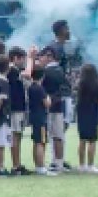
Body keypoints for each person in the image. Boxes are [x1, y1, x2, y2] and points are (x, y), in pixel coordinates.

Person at [48, 20, 73, 171]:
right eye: (67, 28)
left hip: (65, 91)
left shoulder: (62, 47)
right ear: (61, 30)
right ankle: (56, 160)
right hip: (60, 93)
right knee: (59, 125)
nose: (69, 31)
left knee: (64, 124)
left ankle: (58, 159)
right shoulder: (54, 48)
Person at [39, 45, 67, 173]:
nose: (41, 59)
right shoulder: (60, 70)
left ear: (49, 56)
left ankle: (44, 164)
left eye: (42, 56)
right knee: (58, 136)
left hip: (47, 106)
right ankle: (58, 163)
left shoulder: (45, 72)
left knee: (45, 136)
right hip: (59, 106)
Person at [8, 46, 33, 175]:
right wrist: (30, 58)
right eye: (22, 59)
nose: (23, 62)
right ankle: (15, 165)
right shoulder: (11, 70)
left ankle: (17, 164)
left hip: (19, 107)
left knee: (18, 136)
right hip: (15, 108)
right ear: (15, 58)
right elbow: (28, 75)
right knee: (15, 136)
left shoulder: (15, 70)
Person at [76, 64, 98, 174]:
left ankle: (81, 165)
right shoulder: (97, 85)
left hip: (81, 113)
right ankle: (90, 165)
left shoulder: (80, 84)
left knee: (82, 140)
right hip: (93, 112)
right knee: (92, 140)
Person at [28, 65, 55, 176]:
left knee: (36, 142)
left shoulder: (30, 87)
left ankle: (38, 165)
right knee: (41, 142)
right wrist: (48, 97)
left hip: (34, 116)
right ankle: (41, 167)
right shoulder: (40, 88)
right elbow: (47, 103)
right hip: (41, 117)